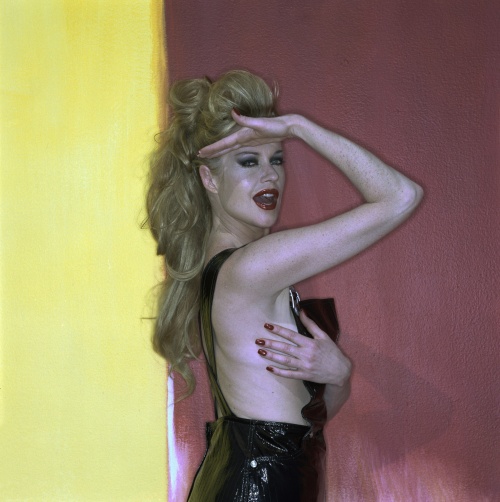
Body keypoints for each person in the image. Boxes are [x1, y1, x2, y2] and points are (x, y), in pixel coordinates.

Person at [145, 70, 423, 501]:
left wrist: (338, 377)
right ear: (209, 179)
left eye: (276, 159)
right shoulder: (249, 268)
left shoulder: (237, 268)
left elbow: (298, 423)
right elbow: (400, 196)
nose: (269, 176)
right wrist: (296, 127)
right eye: (248, 162)